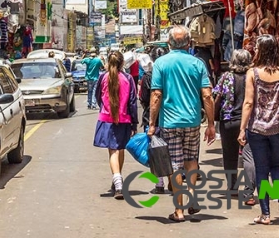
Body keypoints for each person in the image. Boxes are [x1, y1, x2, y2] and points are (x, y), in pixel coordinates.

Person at [147, 25, 216, 222]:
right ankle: (192, 197)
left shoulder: (161, 63)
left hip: (169, 122)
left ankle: (179, 210)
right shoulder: (198, 63)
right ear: (188, 43)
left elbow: (156, 94)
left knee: (175, 164)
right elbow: (207, 96)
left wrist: (152, 123)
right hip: (193, 121)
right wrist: (211, 124)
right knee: (192, 159)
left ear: (169, 43)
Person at [238, 34, 279, 225]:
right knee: (277, 166)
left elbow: (248, 103)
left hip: (257, 129)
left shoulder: (252, 74)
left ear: (260, 51)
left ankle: (265, 214)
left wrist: (241, 130)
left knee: (262, 169)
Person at [212, 49, 256, 203]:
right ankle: (249, 192)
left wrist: (213, 118)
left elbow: (217, 98)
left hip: (229, 122)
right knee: (249, 156)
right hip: (250, 122)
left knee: (229, 156)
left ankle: (232, 188)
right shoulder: (253, 77)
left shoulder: (226, 77)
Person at [93, 51, 138, 200]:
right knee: (120, 148)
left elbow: (98, 96)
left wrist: (104, 108)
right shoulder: (128, 78)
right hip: (124, 119)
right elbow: (132, 102)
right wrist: (134, 122)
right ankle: (118, 180)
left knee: (113, 150)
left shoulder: (103, 77)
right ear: (122, 63)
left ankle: (117, 181)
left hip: (107, 119)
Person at [138, 53, 166, 194]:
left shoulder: (147, 77)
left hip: (152, 117)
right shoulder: (168, 73)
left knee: (155, 151)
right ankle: (174, 182)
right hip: (169, 117)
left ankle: (159, 183)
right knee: (172, 151)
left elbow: (143, 98)